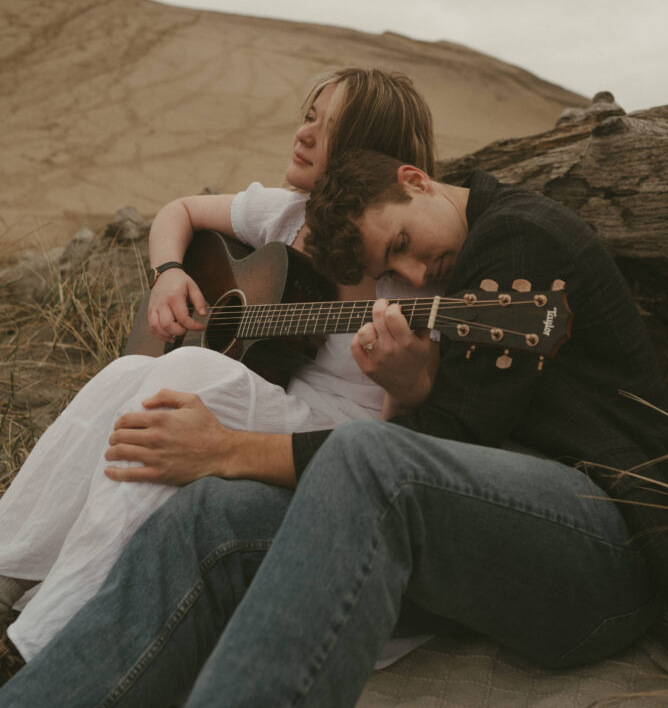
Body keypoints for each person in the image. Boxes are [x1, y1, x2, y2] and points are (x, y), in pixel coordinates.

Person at [2, 148, 668, 707]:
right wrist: (407, 391)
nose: (415, 273)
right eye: (394, 268)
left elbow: (428, 456)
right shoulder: (465, 259)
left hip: (607, 541)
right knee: (211, 513)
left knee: (363, 456)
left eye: (405, 244)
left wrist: (229, 447)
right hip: (490, 534)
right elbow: (445, 468)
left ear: (416, 180)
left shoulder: (518, 237)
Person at [0, 69, 440, 675]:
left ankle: (44, 638)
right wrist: (169, 272)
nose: (303, 133)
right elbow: (177, 210)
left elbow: (397, 436)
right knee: (129, 370)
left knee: (186, 380)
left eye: (325, 126)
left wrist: (401, 386)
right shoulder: (289, 216)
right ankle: (7, 571)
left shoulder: (415, 270)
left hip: (327, 443)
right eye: (306, 114)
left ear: (365, 154)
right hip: (264, 402)